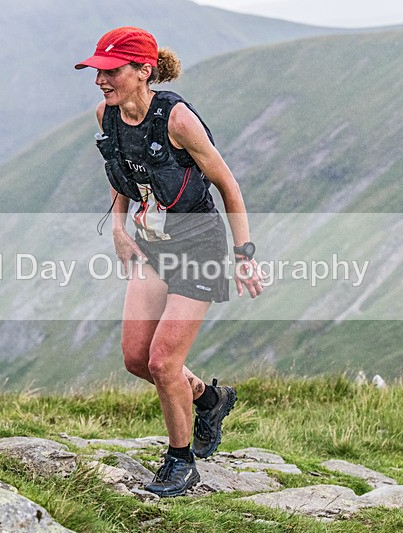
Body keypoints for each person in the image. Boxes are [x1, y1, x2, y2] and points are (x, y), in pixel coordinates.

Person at [75, 26, 264, 498]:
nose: (100, 81)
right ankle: (210, 399)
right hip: (151, 246)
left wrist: (244, 255)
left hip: (199, 247)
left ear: (143, 71)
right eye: (97, 71)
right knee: (137, 359)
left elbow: (228, 185)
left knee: (163, 362)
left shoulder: (177, 120)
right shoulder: (108, 115)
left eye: (110, 71)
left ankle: (181, 462)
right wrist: (118, 228)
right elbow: (125, 173)